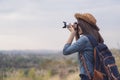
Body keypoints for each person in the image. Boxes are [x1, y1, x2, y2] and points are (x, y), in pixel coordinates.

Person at [63, 13, 104, 80]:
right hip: (97, 75)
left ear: (83, 25)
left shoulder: (85, 39)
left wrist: (72, 33)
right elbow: (81, 48)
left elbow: (65, 51)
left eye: (78, 24)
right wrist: (76, 34)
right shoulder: (96, 37)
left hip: (87, 76)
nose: (77, 26)